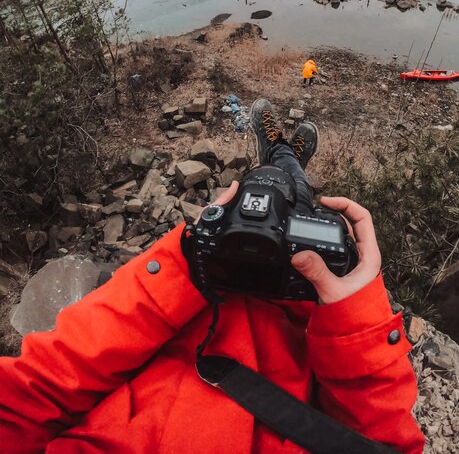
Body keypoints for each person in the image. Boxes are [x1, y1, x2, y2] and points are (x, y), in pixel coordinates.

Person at [0, 99, 425, 454]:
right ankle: (286, 158)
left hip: (198, 297)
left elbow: (37, 389)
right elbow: (384, 445)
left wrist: (185, 257)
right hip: (302, 320)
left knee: (276, 199)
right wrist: (356, 315)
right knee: (300, 204)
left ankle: (280, 157)